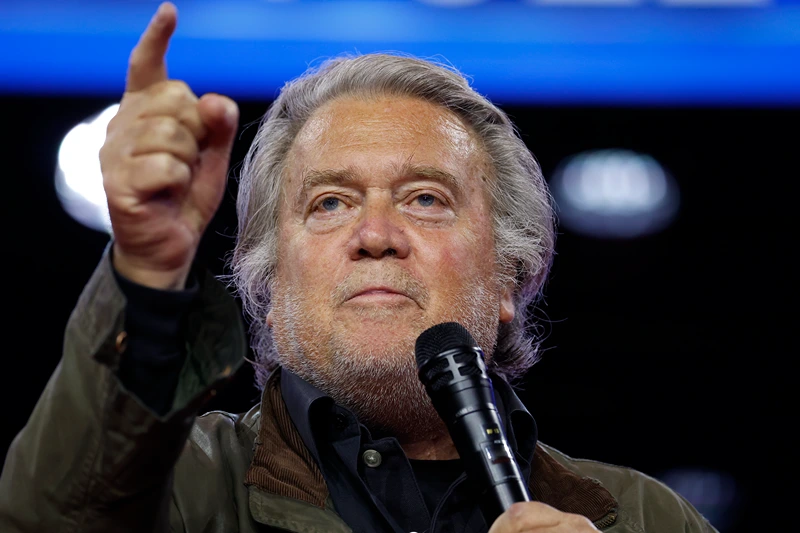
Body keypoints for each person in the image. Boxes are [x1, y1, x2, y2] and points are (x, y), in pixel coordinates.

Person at [0, 3, 717, 532]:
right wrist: (148, 269)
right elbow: (51, 517)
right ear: (269, 291)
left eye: (426, 198)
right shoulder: (177, 490)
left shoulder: (648, 519)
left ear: (508, 275)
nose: (376, 233)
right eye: (331, 201)